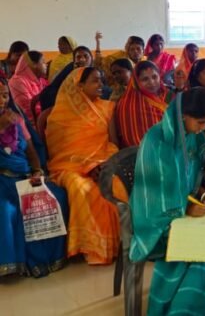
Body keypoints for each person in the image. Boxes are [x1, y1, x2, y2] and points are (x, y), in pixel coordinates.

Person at [130, 88, 205, 315]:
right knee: (204, 248)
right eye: (201, 122)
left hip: (183, 209)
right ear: (183, 114)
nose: (203, 128)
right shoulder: (158, 140)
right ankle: (184, 309)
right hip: (157, 219)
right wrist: (186, 207)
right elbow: (155, 195)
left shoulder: (193, 136)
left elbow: (189, 182)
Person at [46, 67, 122, 264]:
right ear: (79, 86)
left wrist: (103, 163)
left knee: (116, 186)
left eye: (101, 80)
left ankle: (119, 244)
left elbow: (113, 142)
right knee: (82, 189)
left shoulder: (107, 108)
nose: (101, 85)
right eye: (95, 81)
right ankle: (91, 247)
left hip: (102, 161)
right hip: (69, 167)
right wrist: (87, 165)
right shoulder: (60, 115)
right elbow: (60, 151)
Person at [0, 77, 69, 277]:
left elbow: (31, 152)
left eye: (4, 95)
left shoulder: (16, 118)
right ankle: (17, 262)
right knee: (8, 208)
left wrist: (37, 171)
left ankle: (49, 258)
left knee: (57, 196)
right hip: (3, 180)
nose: (2, 100)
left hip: (24, 176)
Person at [116, 61, 170, 148]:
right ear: (136, 82)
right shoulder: (128, 105)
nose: (151, 82)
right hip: (144, 152)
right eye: (145, 79)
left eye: (154, 77)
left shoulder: (169, 95)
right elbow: (134, 138)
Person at [9, 51, 48, 121]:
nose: (46, 65)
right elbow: (27, 108)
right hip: (27, 122)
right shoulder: (17, 81)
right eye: (43, 62)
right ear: (33, 64)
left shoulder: (41, 81)